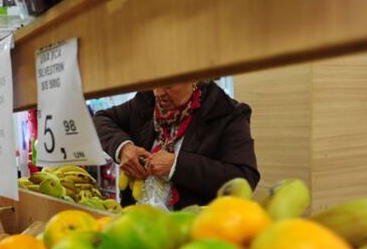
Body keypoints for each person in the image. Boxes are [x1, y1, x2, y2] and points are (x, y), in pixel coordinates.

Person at [94, 80, 259, 210]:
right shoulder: (146, 101)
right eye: (153, 83)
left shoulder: (227, 113)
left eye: (168, 85)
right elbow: (100, 120)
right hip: (139, 223)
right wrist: (124, 147)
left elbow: (244, 178)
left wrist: (177, 166)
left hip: (196, 231)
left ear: (194, 77)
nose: (158, 93)